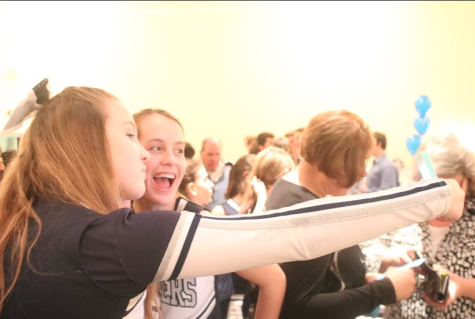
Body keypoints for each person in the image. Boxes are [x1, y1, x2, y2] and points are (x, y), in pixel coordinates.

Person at [0, 84, 465, 319]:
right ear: (87, 147)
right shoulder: (108, 239)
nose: (144, 152)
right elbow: (295, 235)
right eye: (131, 136)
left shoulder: (44, 219)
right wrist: (437, 194)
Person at [265, 110, 419, 319]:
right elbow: (299, 309)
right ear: (337, 160)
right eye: (359, 161)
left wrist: (361, 282)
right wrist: (383, 291)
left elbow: (320, 278)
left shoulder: (287, 188)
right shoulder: (307, 213)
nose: (363, 173)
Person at [381, 132, 475, 319]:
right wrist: (385, 260)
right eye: (430, 192)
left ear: (467, 179)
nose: (440, 207)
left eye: (449, 191)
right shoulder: (401, 213)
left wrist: (463, 286)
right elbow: (364, 266)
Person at [200, 137, 233, 210]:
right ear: (201, 153)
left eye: (217, 154)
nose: (214, 159)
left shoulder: (231, 173)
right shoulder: (195, 175)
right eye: (210, 154)